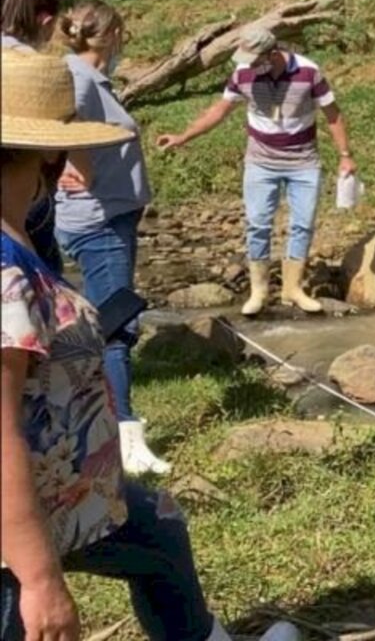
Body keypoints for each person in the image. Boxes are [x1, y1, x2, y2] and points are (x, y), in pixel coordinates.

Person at [0, 49, 301, 641]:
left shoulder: (16, 239)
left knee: (161, 530)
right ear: (48, 156)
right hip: (25, 520)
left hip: (77, 495)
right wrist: (39, 579)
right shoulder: (6, 274)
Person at [157, 27, 356, 316]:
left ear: (272, 54)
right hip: (260, 162)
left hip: (303, 162)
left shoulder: (308, 72)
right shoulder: (242, 74)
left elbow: (333, 115)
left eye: (253, 59)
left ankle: (293, 288)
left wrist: (345, 156)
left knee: (302, 224)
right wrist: (183, 136)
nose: (247, 65)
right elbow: (219, 110)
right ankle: (259, 291)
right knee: (258, 224)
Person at [51, 0, 170, 476]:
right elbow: (66, 125)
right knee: (116, 327)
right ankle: (124, 441)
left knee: (108, 322)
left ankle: (100, 427)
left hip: (108, 216)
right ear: (112, 32)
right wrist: (76, 167)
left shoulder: (91, 78)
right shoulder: (79, 78)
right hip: (99, 221)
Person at [1, 0, 86, 275]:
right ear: (47, 22)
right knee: (38, 271)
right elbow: (57, 120)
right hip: (27, 187)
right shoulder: (37, 65)